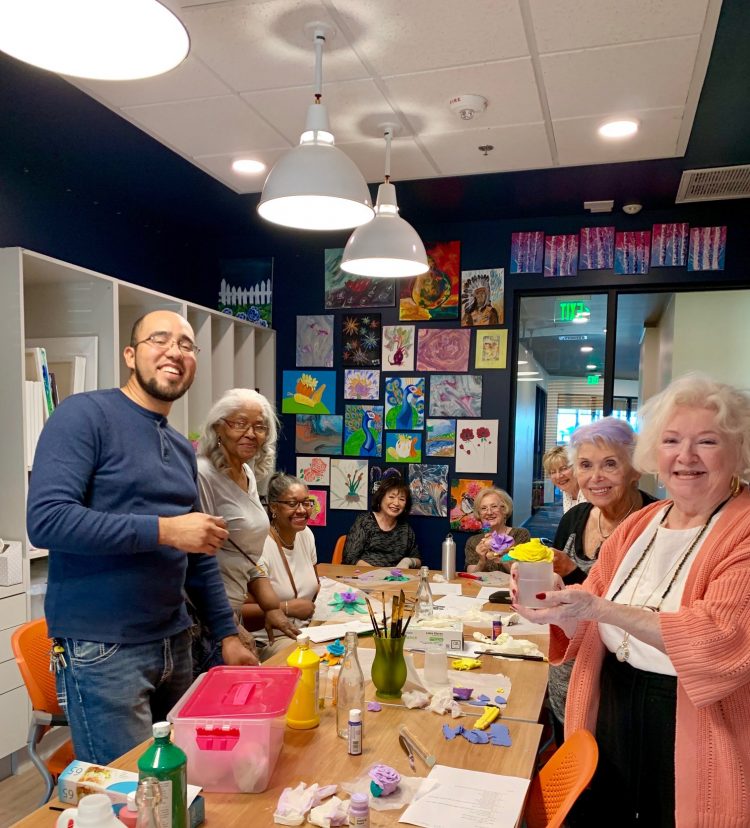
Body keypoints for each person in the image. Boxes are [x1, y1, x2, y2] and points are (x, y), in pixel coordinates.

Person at [513, 374, 750, 826]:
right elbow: (590, 609)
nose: (686, 456)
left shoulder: (743, 529)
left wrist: (596, 608)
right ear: (654, 454)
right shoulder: (642, 523)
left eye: (707, 441)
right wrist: (556, 608)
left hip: (689, 719)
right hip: (611, 703)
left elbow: (720, 641)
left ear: (739, 450)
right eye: (672, 440)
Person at [26, 310, 255, 765]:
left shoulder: (177, 446)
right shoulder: (85, 415)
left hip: (175, 641)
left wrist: (227, 634)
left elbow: (200, 553)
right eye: (160, 339)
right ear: (131, 355)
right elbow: (48, 520)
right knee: (130, 793)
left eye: (187, 345)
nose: (175, 351)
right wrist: (166, 530)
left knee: (179, 780)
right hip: (105, 650)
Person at [547, 418, 657, 744]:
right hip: (567, 679)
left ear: (635, 469)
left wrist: (572, 572)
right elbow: (561, 596)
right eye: (585, 465)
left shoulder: (656, 522)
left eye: (610, 464)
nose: (595, 477)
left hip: (620, 693)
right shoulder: (573, 518)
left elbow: (642, 610)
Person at [196, 389, 298, 672]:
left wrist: (273, 610)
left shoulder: (247, 473)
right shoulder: (202, 474)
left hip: (233, 609)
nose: (251, 434)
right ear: (218, 426)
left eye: (260, 426)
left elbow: (248, 556)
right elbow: (198, 560)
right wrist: (228, 628)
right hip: (208, 618)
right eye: (240, 423)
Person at [242, 473, 320, 660]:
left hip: (309, 632)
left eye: (306, 502)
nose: (302, 510)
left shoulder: (306, 535)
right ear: (274, 507)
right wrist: (288, 607)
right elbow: (241, 612)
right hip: (270, 641)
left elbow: (315, 586)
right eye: (293, 504)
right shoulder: (259, 545)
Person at [343, 476, 420, 568]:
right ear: (380, 498)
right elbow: (349, 558)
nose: (396, 503)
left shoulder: (406, 529)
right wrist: (377, 574)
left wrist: (408, 561)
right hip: (363, 577)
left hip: (394, 579)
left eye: (402, 499)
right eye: (391, 497)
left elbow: (417, 559)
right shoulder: (364, 522)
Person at [464, 487, 530, 573]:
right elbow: (471, 576)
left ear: (504, 510)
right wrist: (481, 561)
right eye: (483, 508)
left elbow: (522, 574)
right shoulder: (473, 541)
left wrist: (503, 556)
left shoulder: (520, 535)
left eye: (494, 506)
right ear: (479, 514)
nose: (489, 512)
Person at [542, 445, 586, 513]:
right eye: (552, 472)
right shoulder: (567, 491)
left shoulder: (590, 493)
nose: (558, 476)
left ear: (577, 467)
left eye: (563, 469)